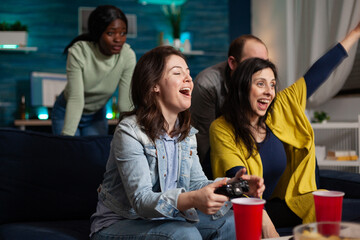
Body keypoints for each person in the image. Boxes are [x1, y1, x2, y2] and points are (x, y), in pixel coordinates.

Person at [89, 46, 271, 239]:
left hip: (165, 220)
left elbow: (196, 183)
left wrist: (235, 186)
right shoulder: (129, 131)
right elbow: (141, 201)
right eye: (177, 72)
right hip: (120, 223)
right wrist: (193, 199)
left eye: (189, 73)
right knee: (185, 234)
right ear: (154, 85)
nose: (189, 79)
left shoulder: (185, 132)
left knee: (231, 223)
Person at [210, 22, 360, 228]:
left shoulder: (279, 106)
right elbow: (237, 181)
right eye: (260, 83)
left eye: (272, 84)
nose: (269, 92)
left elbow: (319, 71)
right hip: (259, 207)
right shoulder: (222, 128)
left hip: (296, 195)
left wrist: (356, 32)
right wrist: (246, 184)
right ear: (242, 87)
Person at [190, 35, 268, 178]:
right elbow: (203, 144)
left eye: (264, 63)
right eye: (251, 64)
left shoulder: (265, 86)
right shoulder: (207, 85)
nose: (260, 71)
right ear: (232, 63)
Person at [52, 5, 136, 136]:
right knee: (70, 154)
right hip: (67, 110)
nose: (118, 39)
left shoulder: (127, 55)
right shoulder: (79, 52)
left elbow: (125, 102)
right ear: (98, 33)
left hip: (96, 115)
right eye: (110, 33)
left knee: (95, 155)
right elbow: (76, 98)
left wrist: (131, 136)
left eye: (123, 33)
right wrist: (67, 139)